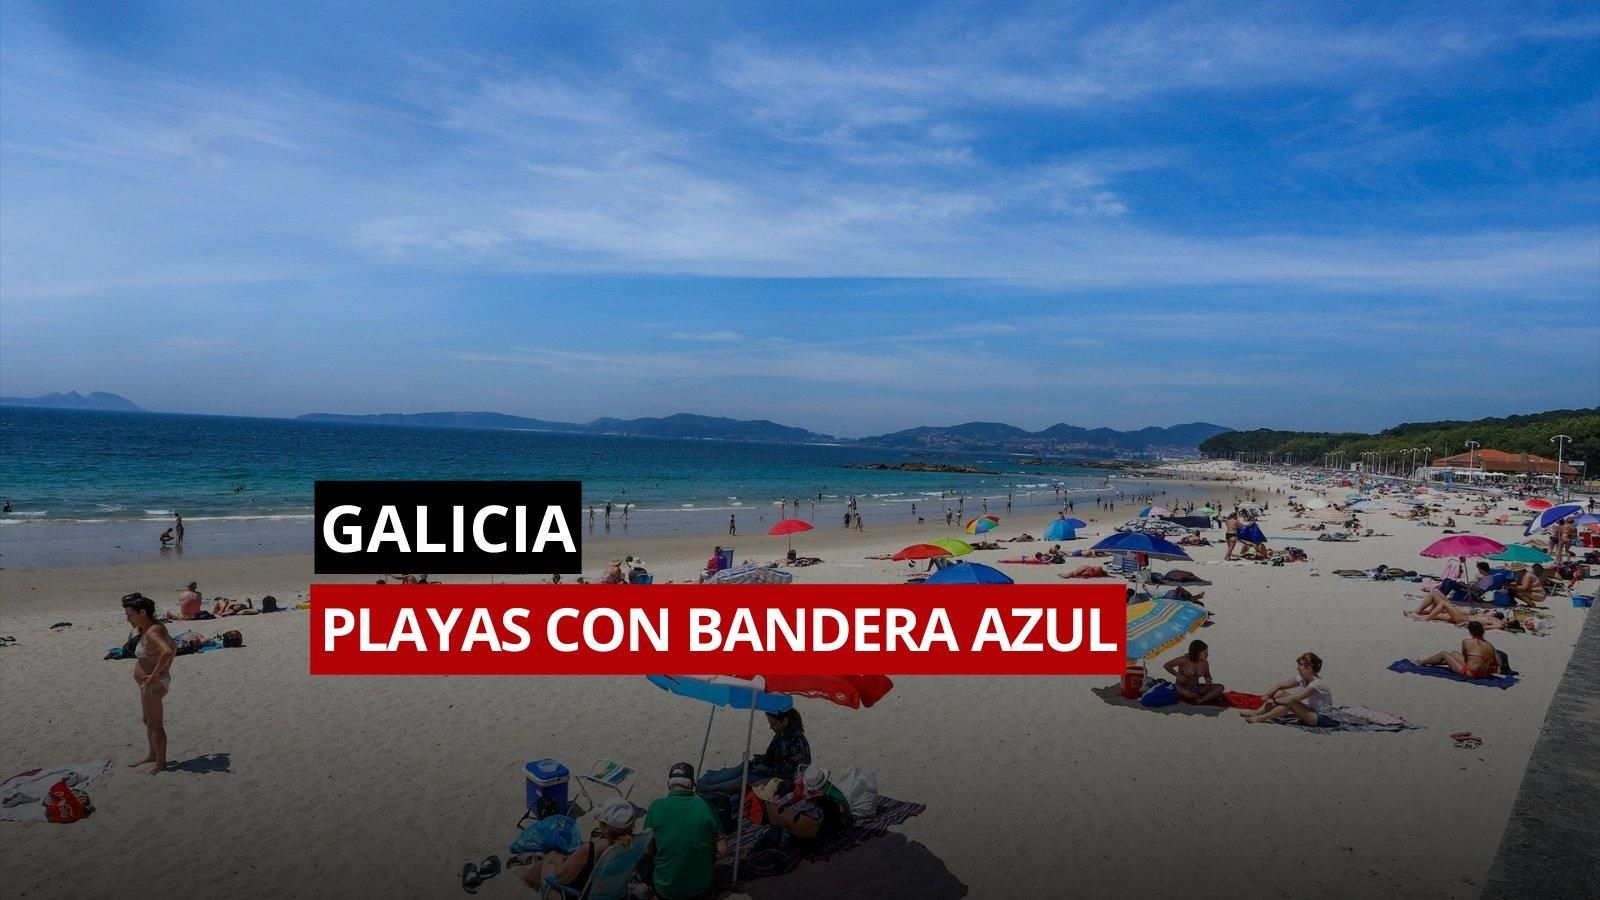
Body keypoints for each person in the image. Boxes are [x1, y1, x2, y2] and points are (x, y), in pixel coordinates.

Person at [516, 798, 636, 892]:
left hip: (579, 893)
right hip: (609, 889)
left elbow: (560, 878)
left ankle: (527, 879)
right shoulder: (635, 842)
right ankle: (529, 877)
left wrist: (558, 861)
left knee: (552, 855)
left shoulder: (591, 849)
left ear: (605, 827)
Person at [642, 763, 724, 900]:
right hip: (701, 887)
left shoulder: (656, 807)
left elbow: (648, 851)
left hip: (666, 888)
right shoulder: (705, 806)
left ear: (669, 784)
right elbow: (722, 850)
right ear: (691, 784)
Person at [122, 593, 176, 774]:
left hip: (154, 685)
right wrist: (165, 669)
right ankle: (152, 755)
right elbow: (174, 646)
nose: (127, 619)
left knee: (155, 724)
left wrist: (154, 675)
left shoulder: (153, 631)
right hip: (149, 683)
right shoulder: (148, 627)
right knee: (147, 720)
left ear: (142, 612)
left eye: (130, 615)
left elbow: (167, 651)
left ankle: (161, 764)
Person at [699, 708, 811, 794]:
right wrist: (760, 761)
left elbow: (787, 774)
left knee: (745, 779)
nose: (771, 727)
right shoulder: (784, 734)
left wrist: (765, 769)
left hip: (788, 781)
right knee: (746, 765)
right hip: (776, 770)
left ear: (785, 721)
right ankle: (711, 780)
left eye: (774, 724)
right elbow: (773, 757)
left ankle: (710, 788)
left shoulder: (793, 742)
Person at [764, 764, 852, 846]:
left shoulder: (824, 798)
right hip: (832, 824)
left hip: (823, 827)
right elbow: (845, 810)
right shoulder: (831, 792)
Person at [1242, 652, 1333, 726]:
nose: (1298, 668)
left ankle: (1260, 718)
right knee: (1280, 693)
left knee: (1289, 702)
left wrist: (1275, 701)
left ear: (1308, 668)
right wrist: (1267, 695)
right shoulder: (1302, 678)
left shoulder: (1317, 684)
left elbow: (1295, 698)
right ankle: (1257, 713)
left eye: (1300, 665)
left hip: (1322, 719)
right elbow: (1280, 685)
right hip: (1310, 710)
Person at [1413, 621, 1499, 679]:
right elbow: (1498, 663)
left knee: (1444, 654)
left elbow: (1466, 659)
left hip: (1470, 673)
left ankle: (1421, 662)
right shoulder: (1490, 645)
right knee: (1454, 653)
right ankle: (1441, 661)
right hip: (1483, 674)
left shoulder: (1466, 642)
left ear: (1470, 632)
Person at [1163, 639, 1224, 704]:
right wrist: (1178, 675)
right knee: (1188, 694)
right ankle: (1205, 698)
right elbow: (1167, 666)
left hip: (1196, 687)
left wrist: (1207, 684)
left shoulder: (1205, 663)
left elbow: (1207, 675)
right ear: (1197, 652)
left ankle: (1201, 700)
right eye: (1205, 652)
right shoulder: (1184, 660)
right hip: (1182, 687)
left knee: (1220, 687)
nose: (1207, 654)